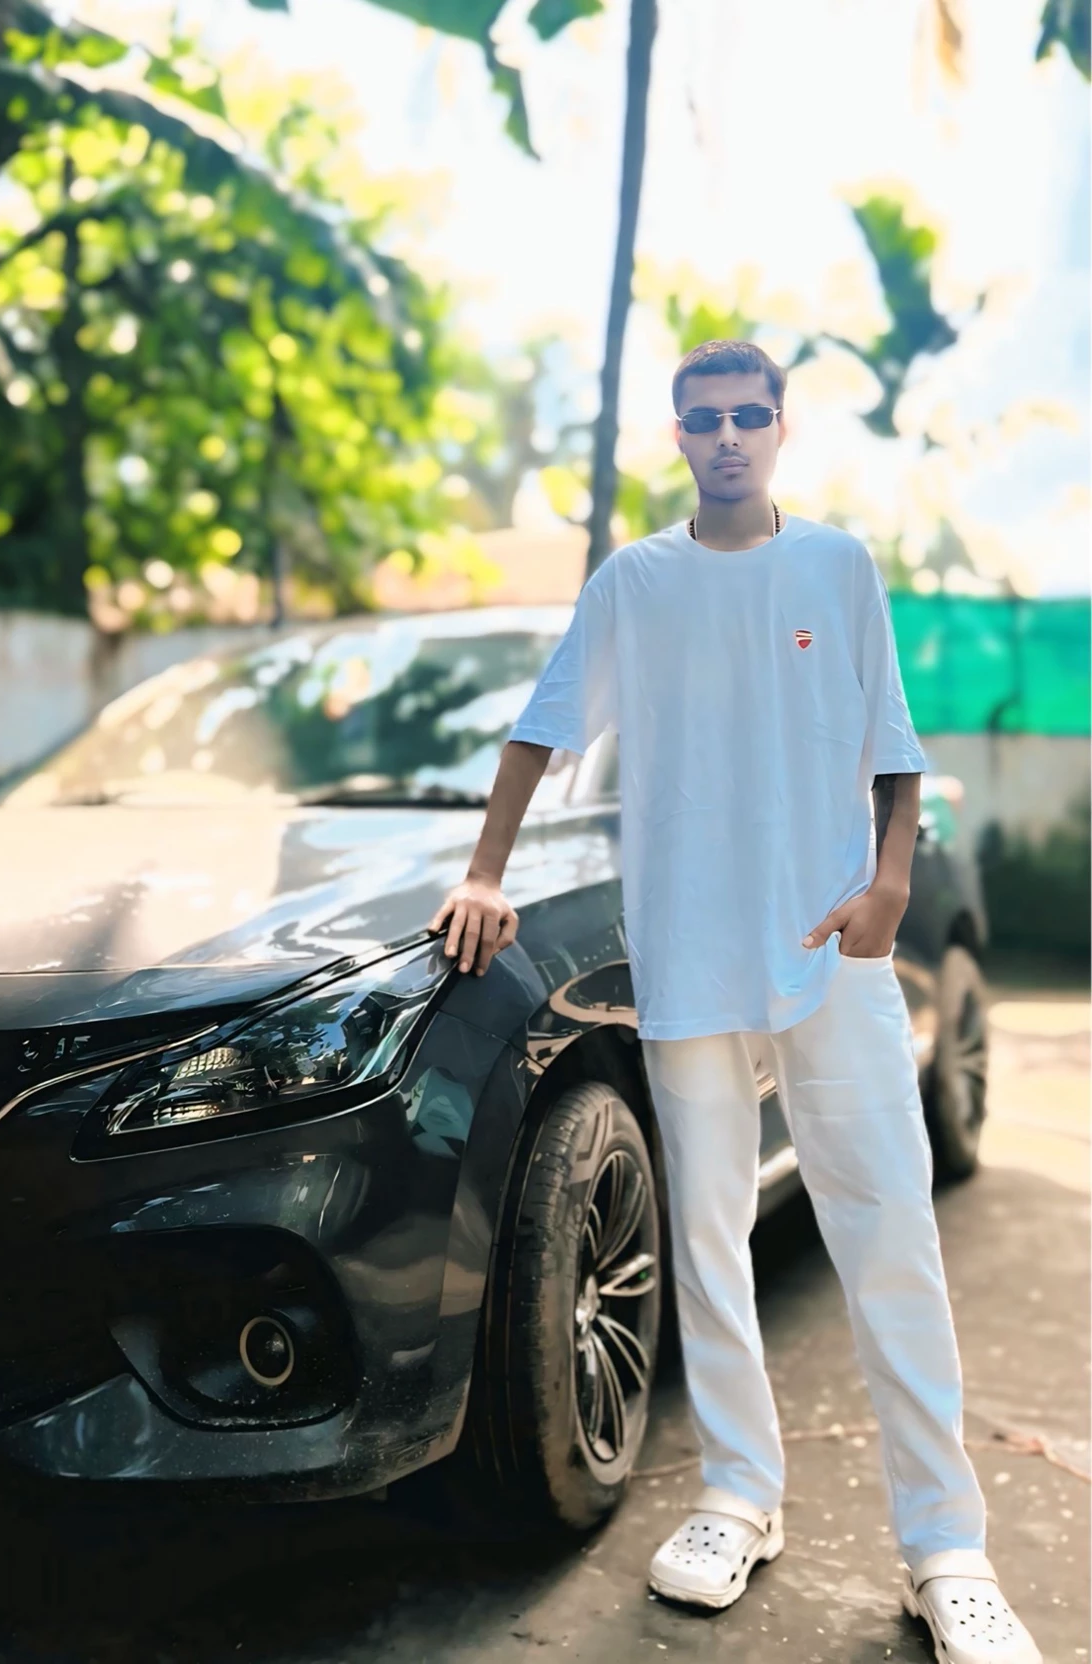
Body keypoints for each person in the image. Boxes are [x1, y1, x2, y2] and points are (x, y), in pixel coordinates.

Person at [429, 339, 1042, 1664]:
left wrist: (890, 885)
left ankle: (948, 1549)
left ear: (779, 429)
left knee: (888, 1230)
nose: (726, 436)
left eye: (747, 416)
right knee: (710, 1237)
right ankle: (737, 1497)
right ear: (678, 433)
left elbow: (893, 744)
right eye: (703, 418)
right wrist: (484, 873)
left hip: (833, 953)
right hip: (691, 955)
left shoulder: (838, 565)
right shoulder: (635, 583)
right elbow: (542, 728)